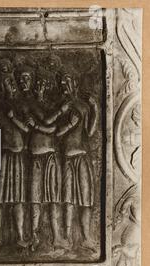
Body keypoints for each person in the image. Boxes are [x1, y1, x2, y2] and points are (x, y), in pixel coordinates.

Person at [0, 58, 29, 253]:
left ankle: (20, 237)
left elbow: (28, 128)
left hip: (18, 153)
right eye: (6, 81)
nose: (10, 83)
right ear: (0, 85)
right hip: (1, 153)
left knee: (18, 198)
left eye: (12, 80)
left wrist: (14, 118)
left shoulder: (21, 103)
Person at [25, 67, 70, 251]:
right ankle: (34, 235)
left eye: (43, 84)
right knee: (35, 198)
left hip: (50, 155)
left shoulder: (51, 104)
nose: (39, 87)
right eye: (38, 84)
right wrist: (58, 113)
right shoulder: (30, 104)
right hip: (36, 155)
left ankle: (56, 236)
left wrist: (41, 126)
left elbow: (53, 129)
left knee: (53, 198)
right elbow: (47, 121)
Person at [57, 68, 98, 251]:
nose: (63, 85)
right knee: (68, 199)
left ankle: (86, 237)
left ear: (74, 83)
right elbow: (56, 133)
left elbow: (89, 132)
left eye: (67, 80)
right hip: (66, 157)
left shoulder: (83, 106)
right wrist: (69, 125)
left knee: (86, 198)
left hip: (81, 155)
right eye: (61, 82)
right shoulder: (61, 107)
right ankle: (66, 237)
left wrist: (95, 109)